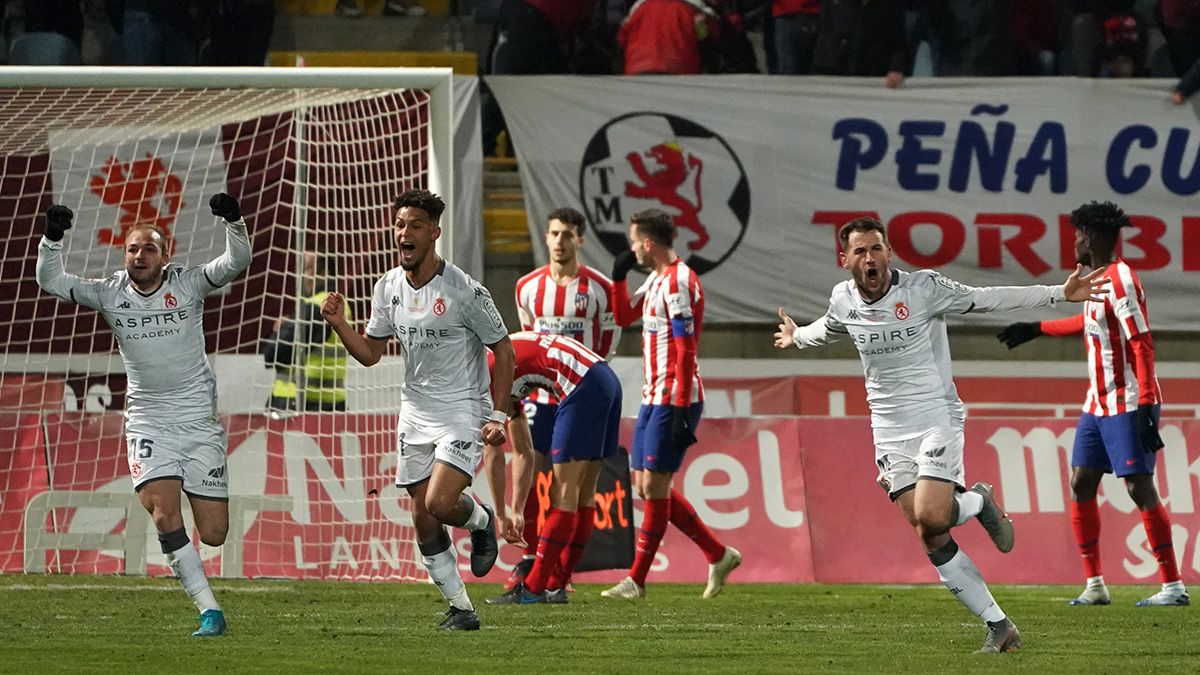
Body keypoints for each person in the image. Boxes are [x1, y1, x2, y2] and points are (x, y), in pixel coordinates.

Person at [773, 216, 1109, 654]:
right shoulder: (843, 299)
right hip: (888, 431)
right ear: (845, 260)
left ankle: (978, 501)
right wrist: (797, 336)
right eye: (860, 251)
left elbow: (986, 299)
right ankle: (1000, 627)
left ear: (889, 253)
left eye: (877, 248)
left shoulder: (923, 289)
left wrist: (1057, 294)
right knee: (929, 534)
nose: (870, 258)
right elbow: (828, 328)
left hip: (936, 416)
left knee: (932, 516)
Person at [35, 193, 252, 637]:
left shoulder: (188, 284)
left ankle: (196, 553)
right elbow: (51, 281)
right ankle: (209, 610)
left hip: (197, 423)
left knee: (213, 534)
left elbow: (236, 261)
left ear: (165, 255)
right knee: (162, 513)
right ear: (124, 255)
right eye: (133, 249)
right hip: (148, 420)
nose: (140, 256)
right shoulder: (109, 292)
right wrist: (52, 238)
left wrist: (233, 220)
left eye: (149, 248)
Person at [319, 189, 515, 631]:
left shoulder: (464, 290)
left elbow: (503, 351)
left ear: (434, 234)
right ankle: (462, 610)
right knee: (422, 516)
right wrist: (340, 325)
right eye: (400, 225)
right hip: (415, 413)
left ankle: (482, 522)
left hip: (462, 410)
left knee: (442, 502)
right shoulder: (387, 287)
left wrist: (497, 417)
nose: (404, 233)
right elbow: (371, 353)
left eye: (415, 226)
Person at [997, 201, 1189, 608]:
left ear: (1095, 236)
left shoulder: (1120, 280)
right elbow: (1086, 324)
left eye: (1079, 235)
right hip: (1097, 403)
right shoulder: (1094, 280)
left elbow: (1141, 342)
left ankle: (1173, 586)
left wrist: (1147, 406)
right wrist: (1037, 328)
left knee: (1138, 486)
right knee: (1082, 481)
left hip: (1128, 401)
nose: (1075, 243)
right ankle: (1095, 584)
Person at [600, 208, 741, 600]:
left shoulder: (679, 282)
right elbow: (626, 314)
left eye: (633, 243)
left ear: (648, 243)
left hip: (673, 397)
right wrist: (617, 277)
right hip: (652, 396)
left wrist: (679, 408)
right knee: (646, 486)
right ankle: (718, 553)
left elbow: (684, 347)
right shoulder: (657, 279)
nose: (632, 250)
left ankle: (637, 580)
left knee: (656, 487)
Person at [504, 206, 618, 591]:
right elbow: (529, 340)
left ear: (580, 240)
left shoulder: (599, 289)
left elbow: (606, 343)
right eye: (553, 234)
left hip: (581, 393)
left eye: (567, 234)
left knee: (573, 486)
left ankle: (557, 575)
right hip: (543, 399)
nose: (558, 241)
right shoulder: (528, 287)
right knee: (531, 472)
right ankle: (530, 559)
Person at [483, 331, 623, 605]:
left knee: (565, 492)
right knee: (583, 493)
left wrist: (501, 514)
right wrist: (517, 510)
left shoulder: (482, 380)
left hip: (581, 386)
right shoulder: (495, 360)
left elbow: (493, 454)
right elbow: (523, 450)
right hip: (604, 378)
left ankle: (534, 589)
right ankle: (557, 584)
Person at [260, 251, 351, 415]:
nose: (300, 274)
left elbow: (272, 354)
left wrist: (281, 329)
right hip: (333, 403)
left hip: (298, 404)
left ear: (323, 273)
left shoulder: (315, 308)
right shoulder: (342, 305)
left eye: (306, 268)